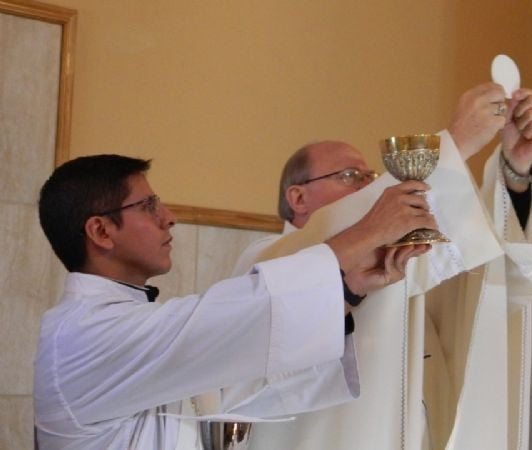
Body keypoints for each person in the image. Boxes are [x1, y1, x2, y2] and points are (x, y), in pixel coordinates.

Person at [33, 154, 433, 450]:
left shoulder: (119, 320)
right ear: (101, 230)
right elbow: (247, 309)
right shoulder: (85, 334)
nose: (168, 217)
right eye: (148, 206)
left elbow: (237, 386)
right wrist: (370, 230)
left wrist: (346, 291)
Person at [230, 82, 532, 450]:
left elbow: (490, 286)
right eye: (350, 176)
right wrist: (453, 145)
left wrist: (514, 175)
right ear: (297, 197)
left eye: (370, 178)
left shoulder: (413, 259)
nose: (372, 188)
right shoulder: (267, 258)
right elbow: (328, 256)